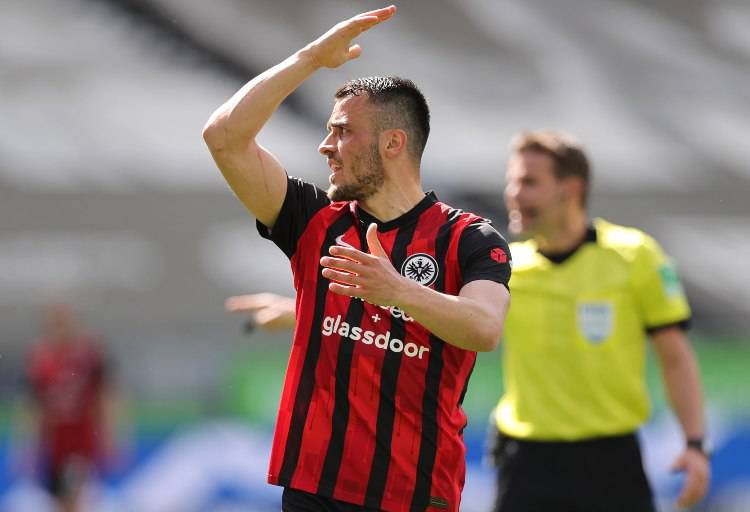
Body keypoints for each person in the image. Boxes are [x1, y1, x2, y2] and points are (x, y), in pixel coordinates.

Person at [202, 6, 512, 511]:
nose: (326, 146)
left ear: (393, 143)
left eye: (343, 131)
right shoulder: (312, 220)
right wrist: (309, 59)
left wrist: (397, 290)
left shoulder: (468, 238)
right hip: (313, 490)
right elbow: (223, 137)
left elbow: (484, 328)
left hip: (414, 494)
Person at [487, 130, 710, 511]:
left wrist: (694, 445)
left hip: (611, 462)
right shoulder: (505, 267)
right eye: (512, 182)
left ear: (570, 189)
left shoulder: (634, 256)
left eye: (529, 182)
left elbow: (675, 357)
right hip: (526, 462)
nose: (513, 194)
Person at [13, 301, 124, 512]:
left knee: (75, 497)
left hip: (81, 441)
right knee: (60, 501)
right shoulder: (39, 360)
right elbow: (32, 406)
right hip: (54, 444)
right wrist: (27, 445)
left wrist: (112, 437)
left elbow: (106, 396)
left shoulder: (89, 356)